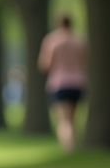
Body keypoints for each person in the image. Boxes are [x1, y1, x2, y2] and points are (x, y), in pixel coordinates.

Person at [38, 13, 88, 153]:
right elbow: (85, 62)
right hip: (78, 82)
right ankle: (73, 147)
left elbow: (44, 64)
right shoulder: (80, 40)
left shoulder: (52, 40)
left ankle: (68, 149)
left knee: (63, 120)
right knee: (72, 118)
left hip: (59, 83)